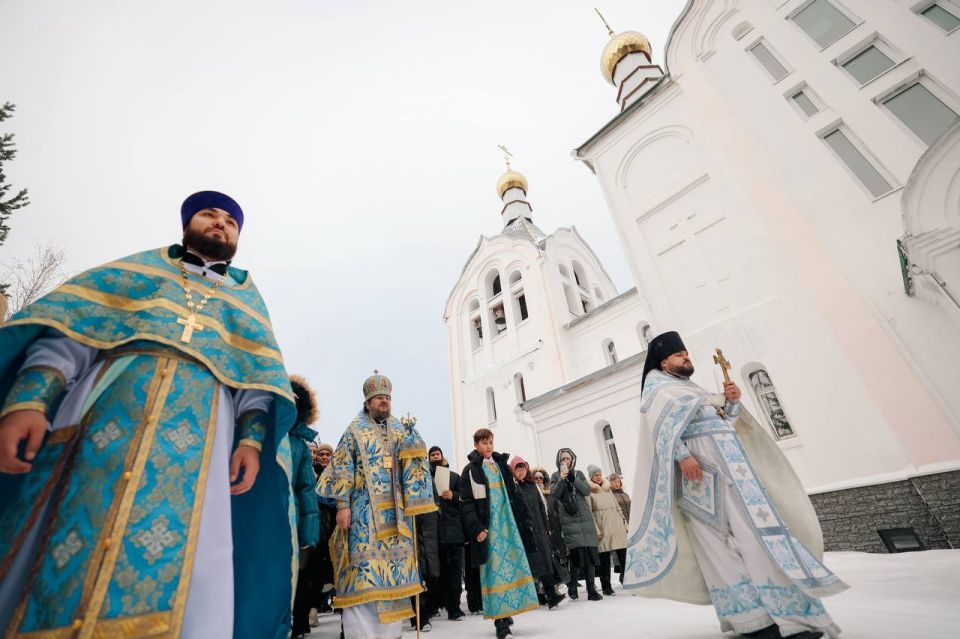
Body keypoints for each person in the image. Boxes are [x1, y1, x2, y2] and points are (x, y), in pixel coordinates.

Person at [0, 191, 297, 639]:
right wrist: (29, 401)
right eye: (209, 216)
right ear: (187, 224)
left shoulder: (244, 296)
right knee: (65, 543)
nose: (220, 225)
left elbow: (255, 384)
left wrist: (251, 442)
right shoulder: (137, 271)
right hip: (102, 424)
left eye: (231, 222)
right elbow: (73, 334)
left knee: (195, 557)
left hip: (202, 440)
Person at [624, 331, 847, 639]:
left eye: (687, 353)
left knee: (759, 541)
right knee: (720, 549)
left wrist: (731, 404)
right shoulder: (658, 388)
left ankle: (792, 616)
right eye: (679, 355)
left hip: (739, 477)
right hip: (702, 480)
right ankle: (753, 621)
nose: (686, 358)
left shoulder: (691, 388)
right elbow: (661, 430)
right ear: (664, 362)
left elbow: (723, 425)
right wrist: (683, 456)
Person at [316, 372, 436, 639]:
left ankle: (391, 634)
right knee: (364, 576)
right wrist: (343, 505)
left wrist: (415, 443)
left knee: (393, 581)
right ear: (367, 401)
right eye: (379, 398)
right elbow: (342, 467)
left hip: (397, 519)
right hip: (363, 515)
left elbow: (413, 467)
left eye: (387, 398)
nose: (384, 402)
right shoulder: (354, 430)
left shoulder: (399, 429)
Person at [460, 429, 539, 639]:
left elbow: (515, 494)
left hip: (509, 525)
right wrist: (476, 528)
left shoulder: (502, 465)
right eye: (484, 443)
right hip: (490, 529)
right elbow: (467, 504)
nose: (488, 446)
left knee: (513, 567)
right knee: (494, 573)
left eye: (491, 442)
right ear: (476, 445)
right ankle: (500, 622)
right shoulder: (471, 470)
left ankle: (508, 610)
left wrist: (524, 521)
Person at [289, 376, 321, 639]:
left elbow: (306, 491)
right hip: (262, 521)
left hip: (292, 521)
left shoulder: (298, 445)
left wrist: (308, 533)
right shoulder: (256, 438)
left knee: (297, 579)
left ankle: (298, 625)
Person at [511, 456, 565, 610]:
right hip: (524, 531)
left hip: (539, 529)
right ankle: (537, 596)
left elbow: (542, 506)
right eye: (517, 469)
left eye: (522, 468)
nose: (521, 472)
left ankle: (550, 596)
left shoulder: (532, 485)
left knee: (545, 561)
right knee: (532, 564)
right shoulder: (512, 488)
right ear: (513, 471)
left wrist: (546, 525)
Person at [550, 448, 602, 602]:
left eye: (568, 458)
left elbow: (586, 491)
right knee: (577, 555)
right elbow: (555, 494)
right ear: (559, 462)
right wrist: (562, 479)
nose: (566, 461)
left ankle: (591, 589)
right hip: (569, 519)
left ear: (572, 460)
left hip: (585, 519)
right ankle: (573, 585)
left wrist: (573, 479)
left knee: (591, 554)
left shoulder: (578, 474)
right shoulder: (554, 476)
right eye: (563, 459)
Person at [427, 445, 466, 621]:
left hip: (453, 532)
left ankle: (454, 608)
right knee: (436, 572)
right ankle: (436, 604)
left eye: (437, 454)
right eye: (432, 454)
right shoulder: (425, 479)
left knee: (454, 573)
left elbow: (465, 499)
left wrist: (454, 495)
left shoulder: (454, 477)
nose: (435, 456)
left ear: (443, 456)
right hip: (434, 533)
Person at [586, 465, 628, 596]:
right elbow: (589, 512)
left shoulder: (607, 489)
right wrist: (596, 529)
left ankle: (627, 580)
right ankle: (606, 586)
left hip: (616, 525)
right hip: (602, 525)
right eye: (595, 475)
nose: (598, 477)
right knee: (604, 558)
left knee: (624, 555)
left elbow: (617, 508)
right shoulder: (589, 491)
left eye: (599, 474)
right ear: (591, 477)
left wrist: (625, 524)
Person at [532, 466, 569, 597]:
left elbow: (557, 510)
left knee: (558, 558)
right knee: (545, 560)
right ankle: (543, 589)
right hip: (541, 531)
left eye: (540, 478)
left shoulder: (550, 494)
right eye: (535, 478)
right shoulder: (532, 493)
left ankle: (557, 585)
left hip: (555, 530)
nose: (538, 480)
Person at [609, 473, 631, 585]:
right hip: (620, 526)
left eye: (618, 481)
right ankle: (623, 576)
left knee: (630, 551)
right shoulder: (610, 495)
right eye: (614, 481)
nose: (617, 483)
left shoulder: (624, 494)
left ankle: (629, 576)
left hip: (630, 524)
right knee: (623, 553)